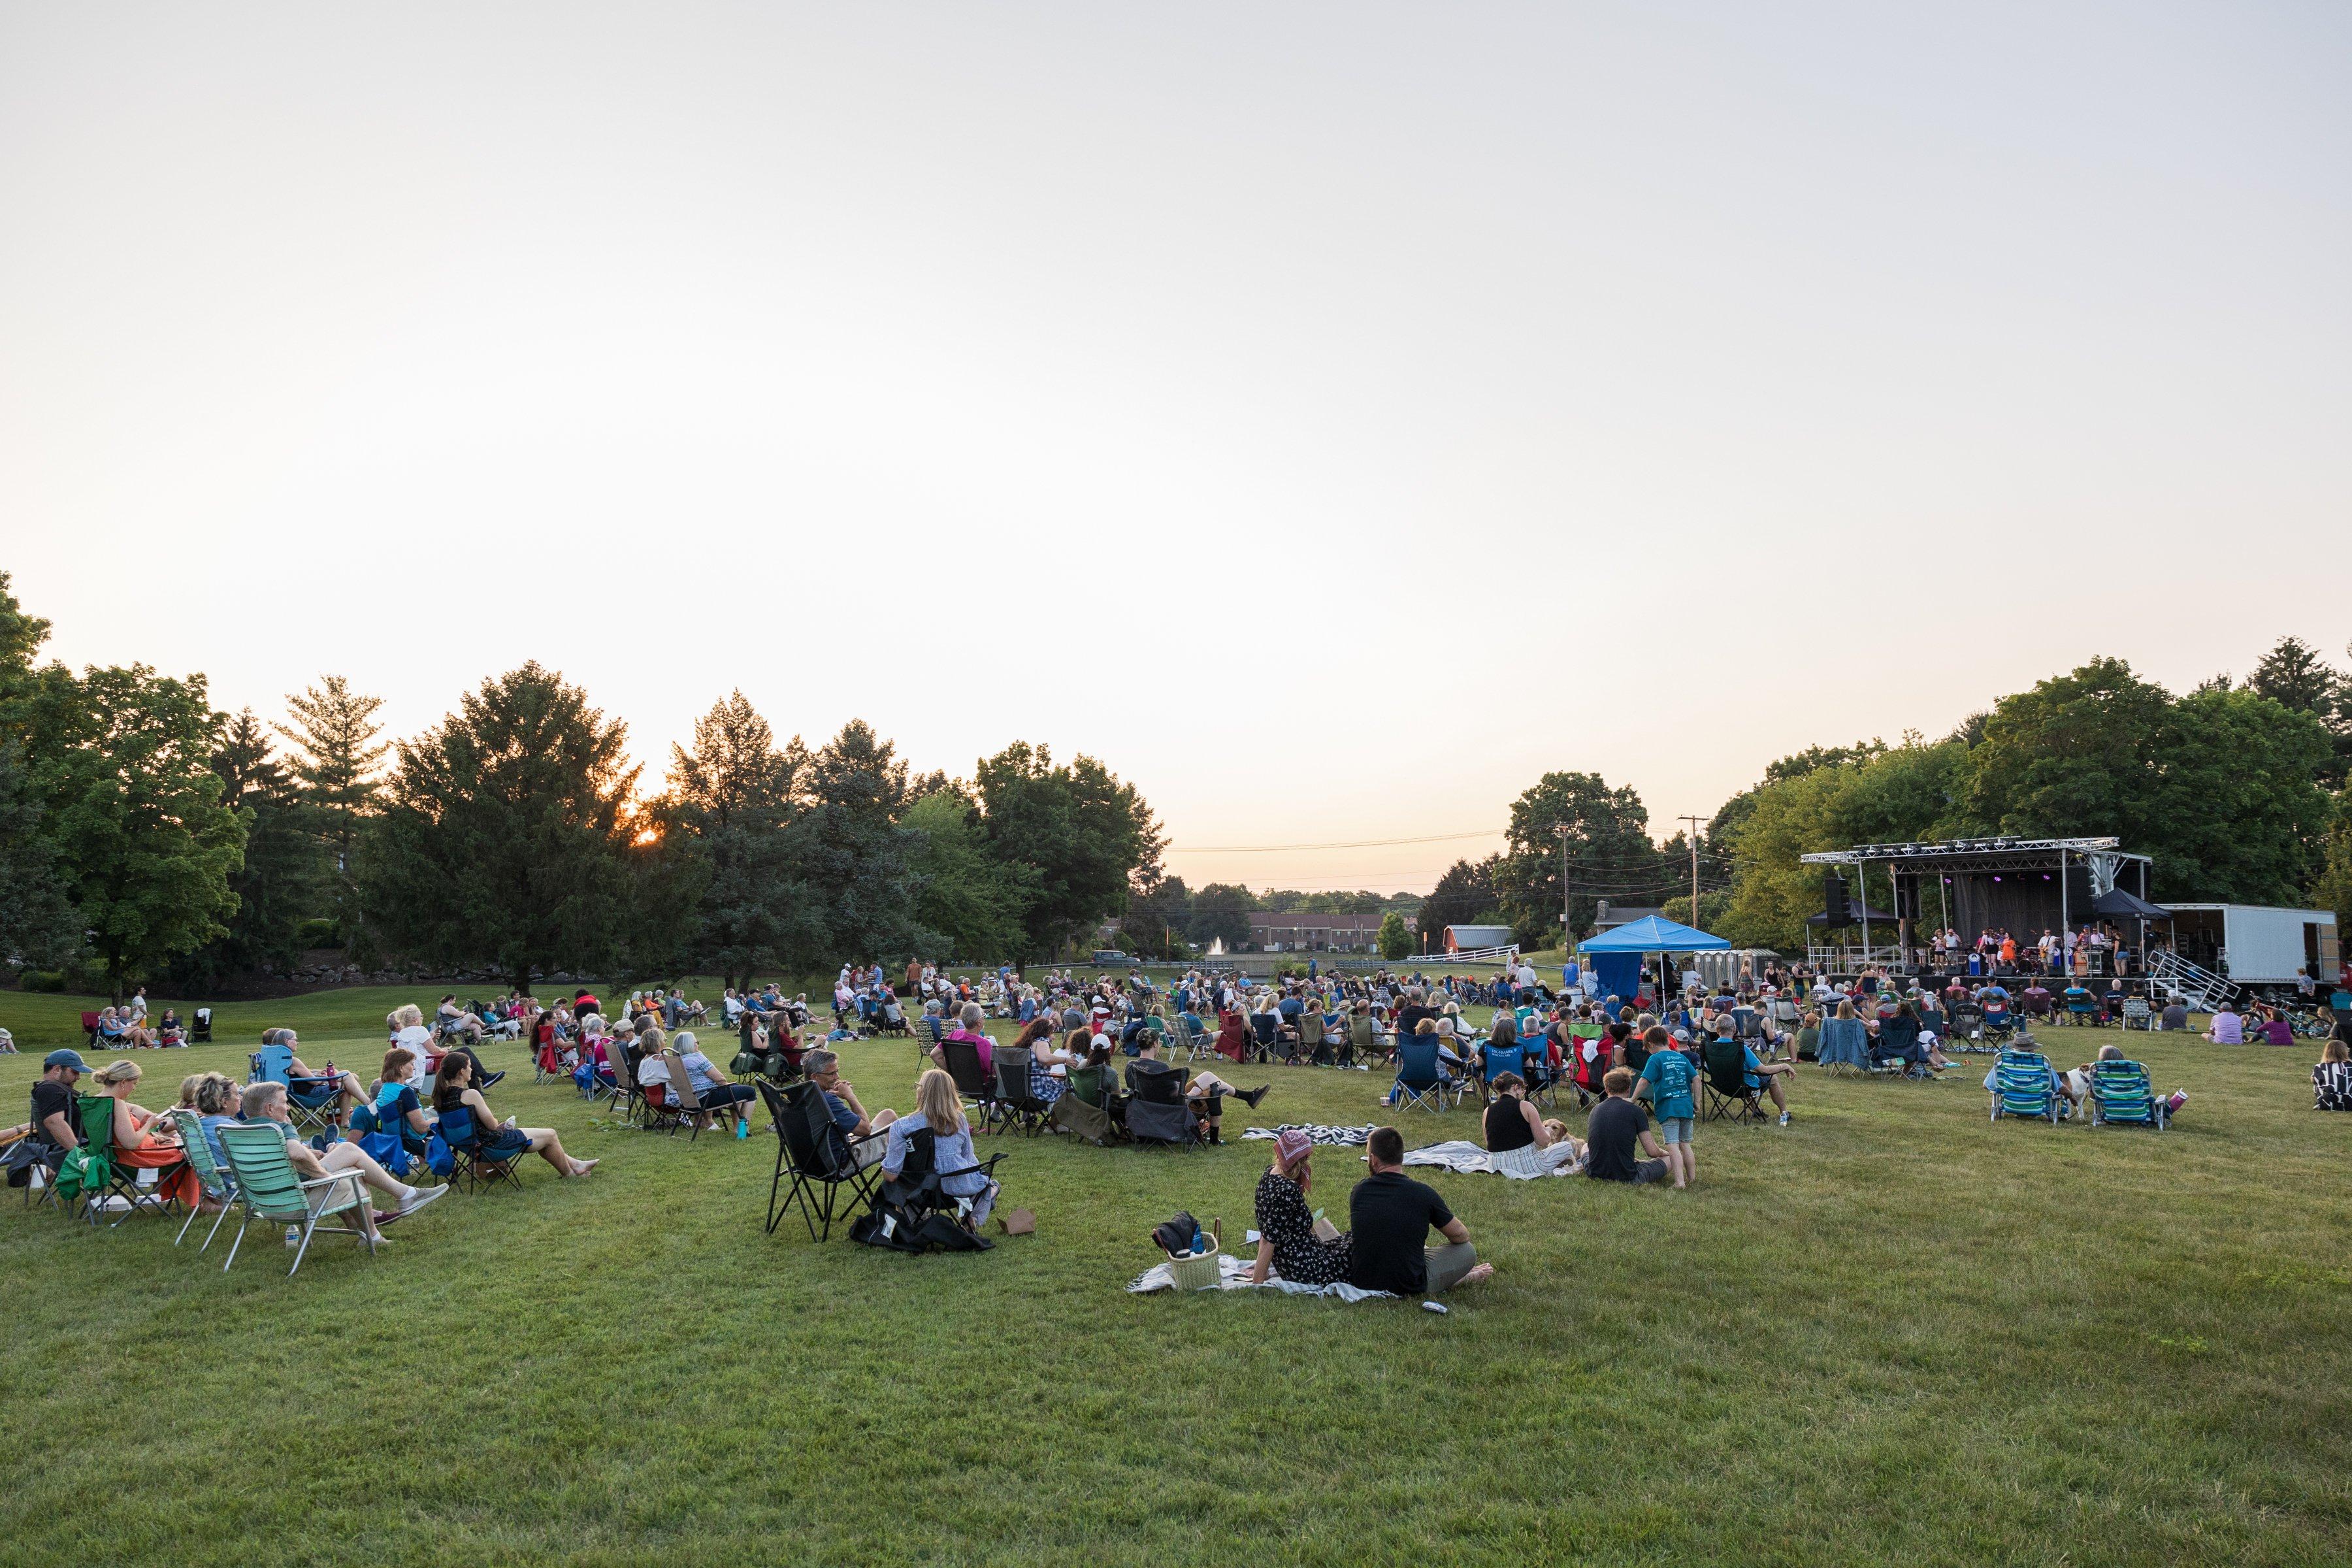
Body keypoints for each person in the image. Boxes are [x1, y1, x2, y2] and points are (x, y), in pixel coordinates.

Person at [242, 1080, 446, 1227]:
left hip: (265, 1205)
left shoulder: (238, 1133)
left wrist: (310, 1154)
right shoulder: (278, 1129)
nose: (287, 1108)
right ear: (269, 1108)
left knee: (346, 1157)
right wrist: (323, 1176)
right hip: (295, 1204)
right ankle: (404, 1196)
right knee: (350, 1158)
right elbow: (296, 1154)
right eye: (284, 1103)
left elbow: (284, 1159)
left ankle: (376, 1233)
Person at [1346, 1125, 1493, 1297]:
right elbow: (1461, 1236)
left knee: (1401, 1240)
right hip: (1408, 1284)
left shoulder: (1359, 1191)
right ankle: (1458, 1278)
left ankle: (1450, 1274)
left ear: (1373, 1159)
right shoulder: (1423, 1193)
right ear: (1401, 1157)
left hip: (1364, 1280)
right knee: (1467, 1251)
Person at [431, 1054, 596, 1177]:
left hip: (471, 1148)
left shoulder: (441, 1097)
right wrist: (500, 1125)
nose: (472, 1069)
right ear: (462, 1071)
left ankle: (577, 1164)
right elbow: (492, 1125)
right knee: (551, 1135)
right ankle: (571, 1175)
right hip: (492, 1147)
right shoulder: (470, 1095)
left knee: (543, 1138)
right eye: (469, 1066)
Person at [881, 1068, 1000, 1227]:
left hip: (921, 1192)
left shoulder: (902, 1126)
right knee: (989, 1185)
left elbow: (891, 1176)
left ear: (921, 1092)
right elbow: (969, 1158)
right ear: (951, 1094)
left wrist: (885, 1165)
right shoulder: (960, 1120)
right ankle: (975, 1217)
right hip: (958, 1188)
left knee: (902, 1181)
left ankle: (917, 1220)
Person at [86, 1058, 202, 1208]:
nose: (134, 1088)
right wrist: (149, 1125)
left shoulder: (94, 1102)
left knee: (175, 1143)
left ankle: (194, 1199)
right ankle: (201, 1201)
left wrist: (153, 1136)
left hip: (109, 1157)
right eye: (134, 1083)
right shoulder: (117, 1104)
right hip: (132, 1161)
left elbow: (115, 1137)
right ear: (123, 1082)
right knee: (191, 1151)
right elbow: (130, 1143)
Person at [1248, 1128, 1352, 1286]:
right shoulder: (1287, 1191)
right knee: (1356, 1245)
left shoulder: (1269, 1175)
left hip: (1303, 1257)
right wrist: (1258, 1281)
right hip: (1306, 1266)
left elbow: (1267, 1231)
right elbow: (1268, 1240)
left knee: (1349, 1239)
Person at [804, 1047, 898, 1169]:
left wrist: (827, 1091)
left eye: (837, 1071)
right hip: (841, 1162)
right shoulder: (827, 1102)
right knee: (890, 1117)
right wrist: (850, 1096)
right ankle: (896, 1175)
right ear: (815, 1077)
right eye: (832, 1073)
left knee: (885, 1116)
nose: (837, 1077)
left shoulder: (795, 1099)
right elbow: (865, 1130)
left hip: (809, 1164)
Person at [1482, 1072, 1583, 1176]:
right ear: (1516, 1087)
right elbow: (1543, 1141)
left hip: (1494, 1165)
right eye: (1522, 1090)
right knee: (1566, 1146)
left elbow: (1489, 1143)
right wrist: (1547, 1131)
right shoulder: (1526, 1106)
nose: (1523, 1093)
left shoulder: (1487, 1111)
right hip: (1525, 1166)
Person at [1585, 1067, 1669, 1184]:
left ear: (1607, 1089)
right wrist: (1663, 1153)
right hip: (1627, 1176)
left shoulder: (1596, 1109)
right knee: (1670, 1159)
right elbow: (1652, 1152)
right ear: (1629, 1089)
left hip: (1595, 1172)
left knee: (1585, 1147)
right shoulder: (1636, 1111)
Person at [1636, 1030, 1698, 1188]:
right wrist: (1696, 1101)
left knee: (1672, 1145)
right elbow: (1696, 1078)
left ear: (1650, 1045)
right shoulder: (1681, 1057)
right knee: (1685, 1143)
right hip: (1685, 1106)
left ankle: (1679, 1182)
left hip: (1668, 1107)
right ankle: (1692, 1178)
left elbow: (1644, 1080)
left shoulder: (1655, 1059)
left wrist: (1632, 1098)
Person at [2314, 1039, 2352, 1112]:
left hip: (2329, 1103)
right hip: (2350, 1102)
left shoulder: (2320, 1067)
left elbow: (2313, 1079)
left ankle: (2320, 1103)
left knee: (2317, 1083)